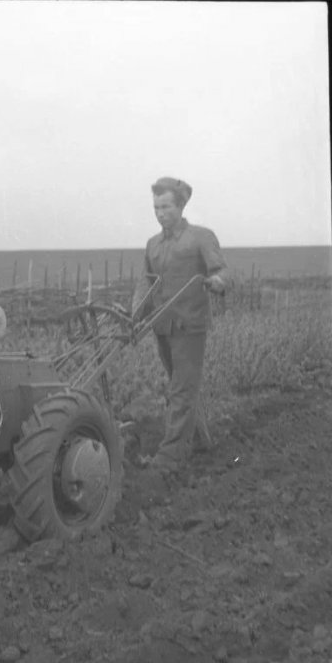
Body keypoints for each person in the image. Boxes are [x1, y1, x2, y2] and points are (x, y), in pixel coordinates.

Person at [131, 176, 229, 482]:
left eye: (166, 206)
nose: (160, 213)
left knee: (180, 390)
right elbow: (145, 282)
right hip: (163, 326)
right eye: (156, 207)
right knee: (181, 385)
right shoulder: (153, 244)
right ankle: (200, 439)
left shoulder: (200, 237)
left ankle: (169, 458)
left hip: (190, 325)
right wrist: (133, 315)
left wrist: (217, 282)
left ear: (181, 205)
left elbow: (222, 269)